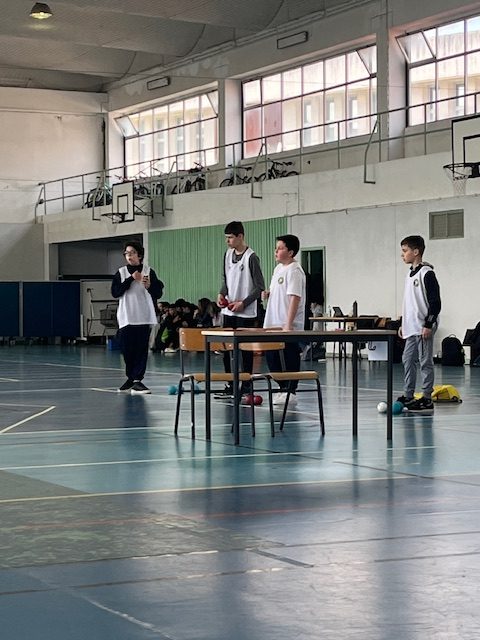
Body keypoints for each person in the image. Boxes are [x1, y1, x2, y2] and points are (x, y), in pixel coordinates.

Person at [216, 221, 265, 397]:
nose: (227, 241)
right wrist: (221, 294)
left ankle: (246, 385)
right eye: (226, 238)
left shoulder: (251, 257)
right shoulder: (227, 255)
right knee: (227, 349)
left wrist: (243, 303)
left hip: (245, 312)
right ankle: (230, 383)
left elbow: (259, 287)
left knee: (245, 351)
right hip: (229, 310)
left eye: (230, 237)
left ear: (240, 236)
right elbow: (226, 279)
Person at [111, 241, 163, 394]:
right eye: (126, 253)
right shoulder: (121, 273)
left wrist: (149, 285)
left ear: (139, 255)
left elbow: (158, 292)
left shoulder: (148, 271)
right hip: (127, 317)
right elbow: (115, 292)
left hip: (144, 316)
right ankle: (130, 378)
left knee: (141, 349)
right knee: (127, 350)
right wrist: (131, 279)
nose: (129, 256)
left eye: (132, 252)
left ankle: (138, 380)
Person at [398, 235, 441, 412]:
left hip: (423, 327)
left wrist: (428, 324)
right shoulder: (409, 274)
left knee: (425, 362)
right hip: (411, 327)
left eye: (405, 251)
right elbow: (409, 303)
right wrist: (403, 323)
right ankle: (408, 395)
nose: (402, 255)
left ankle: (426, 398)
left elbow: (435, 302)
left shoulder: (427, 273)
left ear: (416, 252)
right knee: (407, 360)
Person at [263, 234, 306, 405]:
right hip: (272, 323)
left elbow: (295, 297)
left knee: (288, 356)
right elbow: (278, 291)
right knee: (272, 357)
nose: (276, 251)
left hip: (287, 325)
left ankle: (290, 390)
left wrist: (288, 324)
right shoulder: (278, 269)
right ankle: (282, 388)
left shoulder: (295, 271)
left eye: (280, 248)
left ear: (291, 252)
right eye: (276, 248)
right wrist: (268, 294)